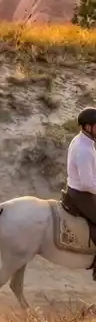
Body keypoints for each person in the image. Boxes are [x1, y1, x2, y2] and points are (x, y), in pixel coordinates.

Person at [62, 107, 96, 279]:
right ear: (88, 127)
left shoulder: (83, 140)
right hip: (81, 195)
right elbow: (87, 183)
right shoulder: (84, 150)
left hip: (77, 190)